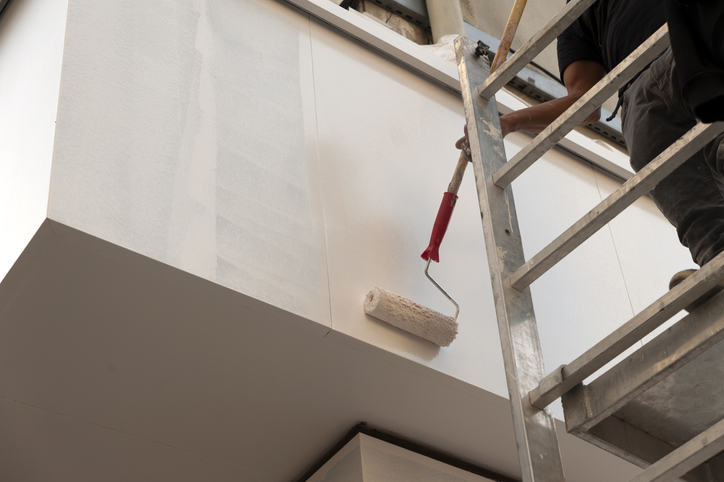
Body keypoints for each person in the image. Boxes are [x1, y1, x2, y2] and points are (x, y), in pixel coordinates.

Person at [459, 0, 724, 309]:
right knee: (685, 196)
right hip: (640, 95)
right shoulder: (577, 14)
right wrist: (510, 122)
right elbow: (584, 102)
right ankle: (717, 262)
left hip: (693, 39)